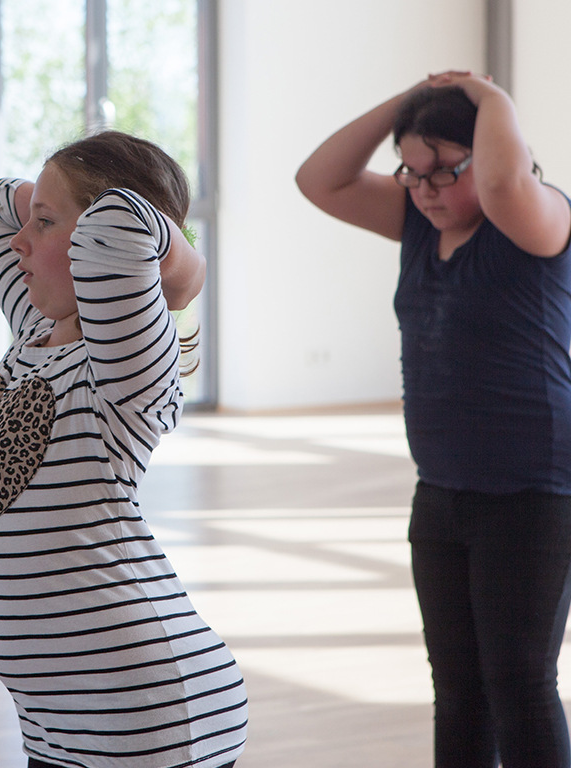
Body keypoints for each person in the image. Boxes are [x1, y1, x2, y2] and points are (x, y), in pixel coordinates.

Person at [296, 72, 571, 767]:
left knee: (520, 685)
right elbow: (318, 179)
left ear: (492, 152)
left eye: (446, 171)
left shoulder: (536, 218)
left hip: (533, 496)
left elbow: (505, 186)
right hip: (442, 493)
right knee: (458, 691)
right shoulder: (420, 224)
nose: (425, 188)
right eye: (412, 172)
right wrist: (411, 101)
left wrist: (489, 95)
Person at [0, 131, 248, 768]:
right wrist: (48, 205)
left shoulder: (122, 365)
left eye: (44, 223)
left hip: (143, 716)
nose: (20, 241)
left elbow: (123, 218)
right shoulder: (36, 329)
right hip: (53, 717)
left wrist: (185, 273)